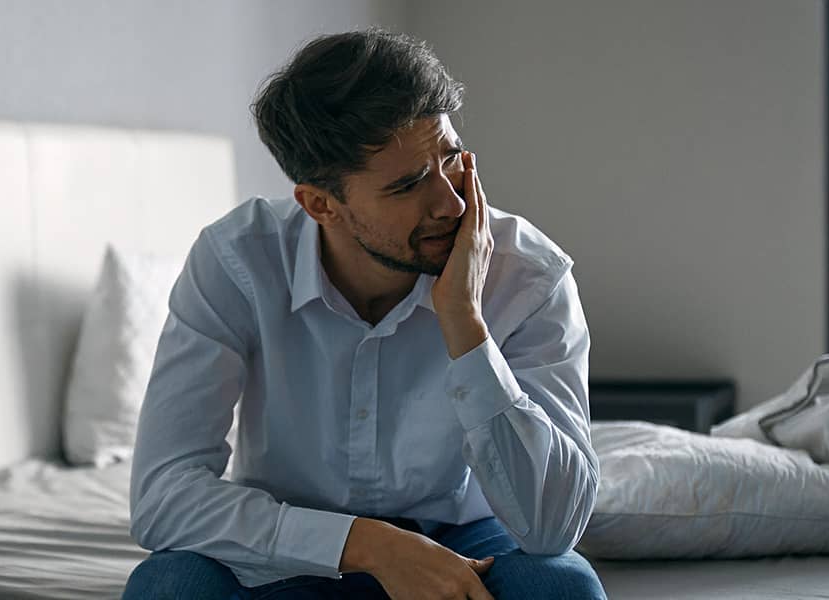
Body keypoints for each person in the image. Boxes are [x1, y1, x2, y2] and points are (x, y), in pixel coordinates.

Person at [123, 27, 607, 600]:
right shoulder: (239, 262)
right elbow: (162, 496)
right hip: (288, 554)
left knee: (560, 584)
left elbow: (555, 526)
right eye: (407, 185)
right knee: (169, 585)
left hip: (467, 551)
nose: (450, 203)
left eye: (451, 160)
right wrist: (367, 546)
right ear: (321, 204)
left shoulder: (528, 274)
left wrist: (465, 326)